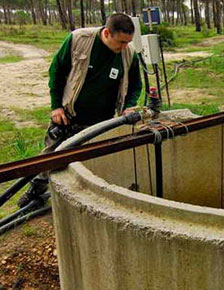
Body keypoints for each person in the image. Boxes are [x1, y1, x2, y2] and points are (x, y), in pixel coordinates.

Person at [17, 13, 142, 208]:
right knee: (51, 156)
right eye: (121, 42)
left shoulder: (129, 53)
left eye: (128, 42)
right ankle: (35, 192)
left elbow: (135, 85)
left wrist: (128, 107)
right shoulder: (79, 40)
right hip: (69, 116)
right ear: (107, 33)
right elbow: (56, 71)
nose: (125, 47)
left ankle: (87, 200)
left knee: (92, 164)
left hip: (101, 122)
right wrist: (56, 106)